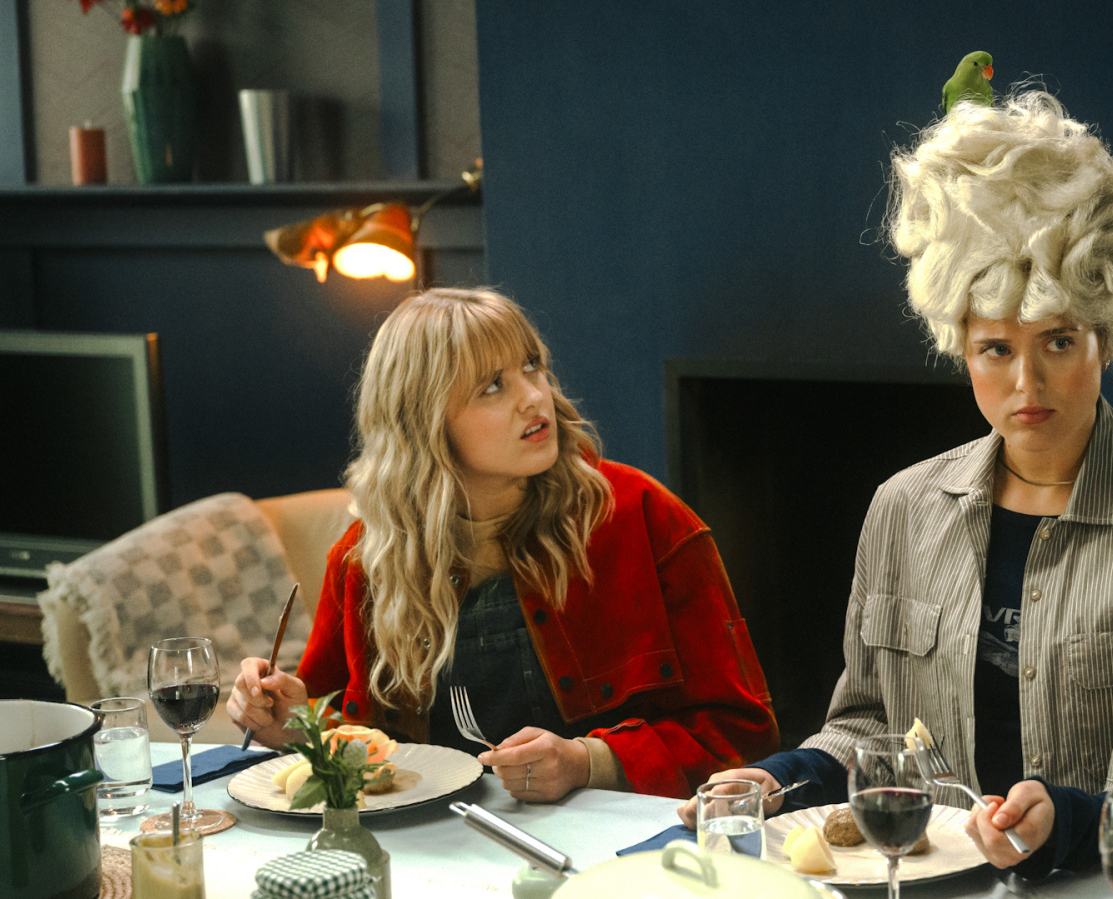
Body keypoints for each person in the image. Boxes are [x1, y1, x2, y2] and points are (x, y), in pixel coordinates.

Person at [679, 89, 1113, 877]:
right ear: (959, 345)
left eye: (1058, 340)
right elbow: (869, 725)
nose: (1028, 383)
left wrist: (1071, 820)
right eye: (996, 348)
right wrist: (783, 777)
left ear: (1106, 336)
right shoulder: (901, 510)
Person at [228, 288, 778, 801]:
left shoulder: (642, 516)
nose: (535, 396)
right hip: (434, 847)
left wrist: (589, 762)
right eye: (493, 386)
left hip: (619, 847)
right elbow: (347, 730)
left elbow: (744, 735)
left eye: (531, 365)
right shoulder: (365, 559)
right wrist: (292, 723)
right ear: (423, 422)